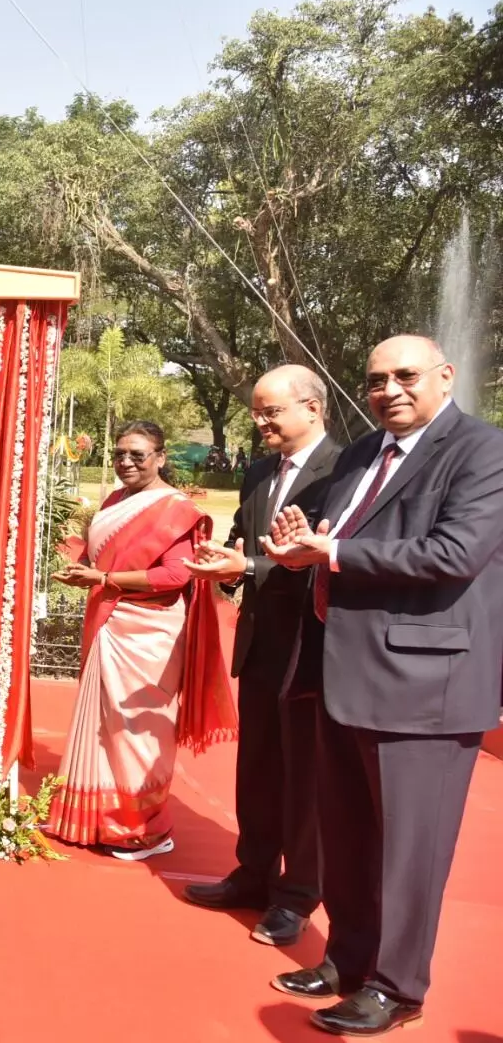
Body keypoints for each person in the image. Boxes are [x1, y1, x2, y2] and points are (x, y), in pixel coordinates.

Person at [258, 335, 503, 1037]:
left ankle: (399, 986)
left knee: (409, 849)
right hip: (344, 672)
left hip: (427, 683)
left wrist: (330, 549)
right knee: (351, 834)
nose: (388, 389)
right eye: (374, 380)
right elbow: (341, 537)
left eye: (404, 375)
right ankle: (350, 958)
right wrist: (305, 541)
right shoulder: (363, 453)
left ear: (445, 376)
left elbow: (454, 553)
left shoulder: (483, 450)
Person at [182, 365, 339, 946]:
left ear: (311, 407)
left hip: (312, 646)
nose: (260, 421)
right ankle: (253, 873)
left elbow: (318, 556)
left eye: (270, 411)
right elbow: (242, 545)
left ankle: (297, 896)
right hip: (260, 642)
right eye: (256, 411)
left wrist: (247, 566)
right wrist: (222, 566)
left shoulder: (343, 472)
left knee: (304, 776)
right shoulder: (256, 472)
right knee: (258, 769)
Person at [46, 420, 235, 860]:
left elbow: (175, 575)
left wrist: (105, 578)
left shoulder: (176, 509)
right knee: (100, 725)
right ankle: (91, 819)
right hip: (109, 619)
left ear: (160, 458)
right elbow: (102, 559)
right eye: (119, 454)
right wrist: (81, 568)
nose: (126, 462)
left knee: (138, 730)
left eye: (138, 454)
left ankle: (144, 830)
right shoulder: (114, 500)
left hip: (150, 632)